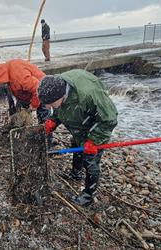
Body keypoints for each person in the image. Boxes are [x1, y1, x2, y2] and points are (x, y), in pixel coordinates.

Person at [37, 69, 118, 206]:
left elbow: (109, 119)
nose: (48, 107)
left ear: (63, 96)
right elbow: (59, 109)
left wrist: (94, 141)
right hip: (78, 122)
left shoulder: (88, 95)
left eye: (51, 104)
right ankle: (76, 174)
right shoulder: (54, 86)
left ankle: (88, 196)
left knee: (90, 160)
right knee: (76, 144)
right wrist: (53, 120)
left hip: (96, 125)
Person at [0, 59, 50, 124]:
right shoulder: (7, 71)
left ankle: (45, 130)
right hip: (26, 92)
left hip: (43, 90)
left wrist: (34, 105)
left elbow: (37, 88)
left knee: (43, 116)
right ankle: (23, 126)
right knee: (21, 112)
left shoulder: (18, 76)